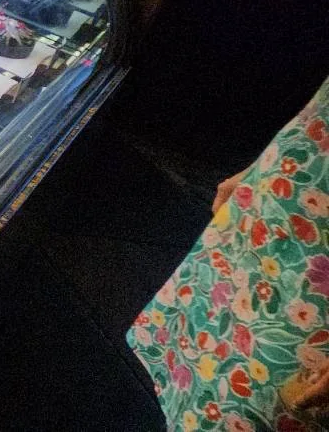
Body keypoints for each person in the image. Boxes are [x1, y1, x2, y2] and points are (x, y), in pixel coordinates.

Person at [130, 77, 329, 430]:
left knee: (247, 409)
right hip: (283, 193)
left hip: (313, 285)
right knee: (191, 374)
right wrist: (265, 165)